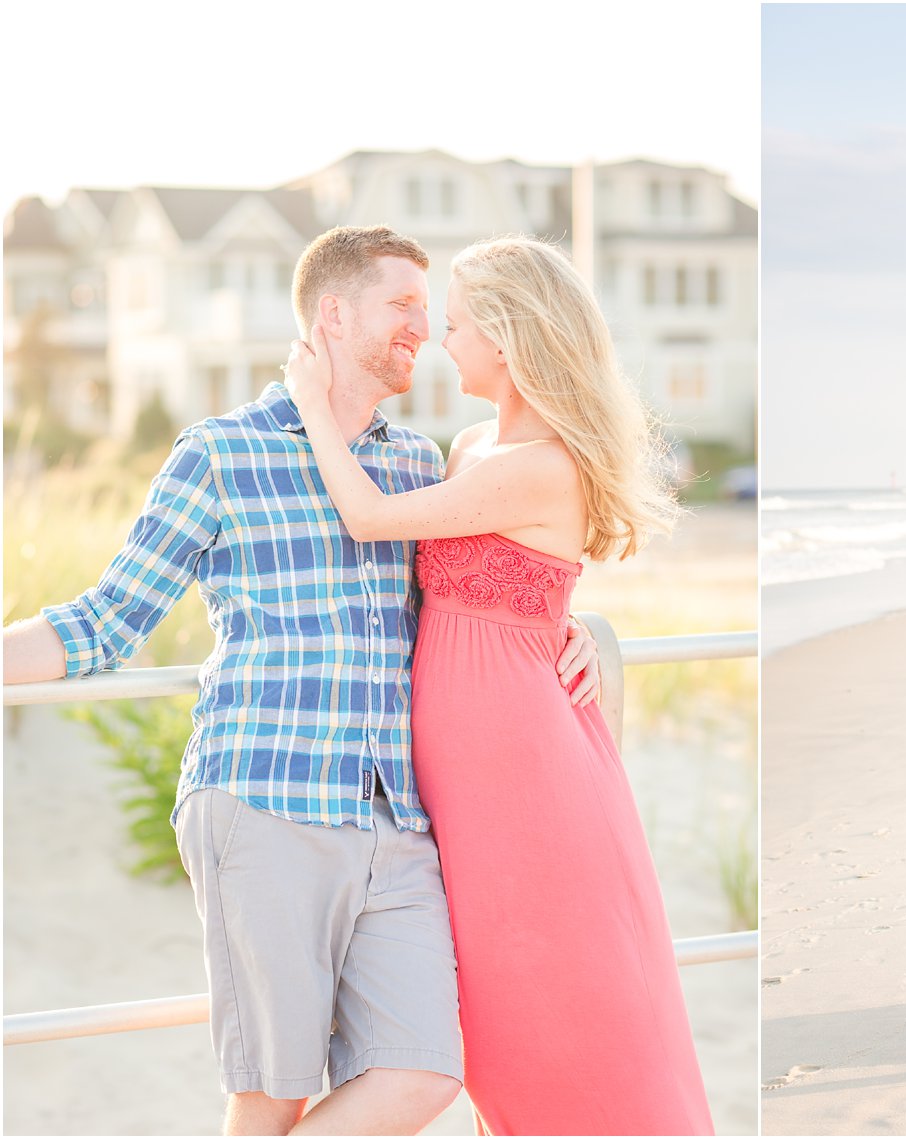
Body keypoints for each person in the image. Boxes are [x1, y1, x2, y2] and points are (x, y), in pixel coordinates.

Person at [2, 225, 599, 1136]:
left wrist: (573, 632)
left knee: (424, 1072)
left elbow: (474, 606)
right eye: (402, 303)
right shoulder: (218, 454)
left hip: (396, 819)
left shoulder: (414, 464)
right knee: (269, 1093)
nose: (424, 325)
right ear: (333, 312)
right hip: (264, 797)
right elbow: (105, 618)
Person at [282, 234, 713, 1135]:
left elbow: (368, 518)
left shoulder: (542, 462)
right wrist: (568, 626)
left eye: (460, 324)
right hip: (463, 753)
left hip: (520, 761)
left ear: (510, 339)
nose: (444, 341)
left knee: (539, 982)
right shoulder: (473, 444)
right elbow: (479, 582)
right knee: (489, 986)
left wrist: (310, 406)